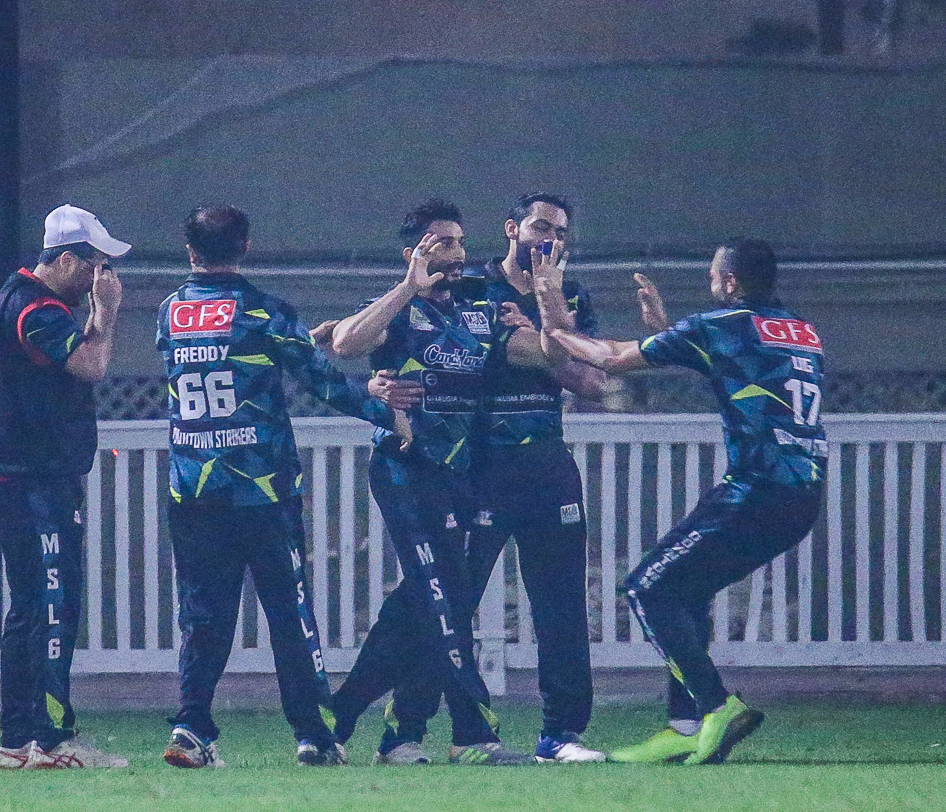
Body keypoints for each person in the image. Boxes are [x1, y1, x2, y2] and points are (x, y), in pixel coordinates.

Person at [538, 238, 827, 765]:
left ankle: (717, 706)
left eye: (714, 275)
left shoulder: (719, 325)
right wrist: (665, 331)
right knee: (687, 589)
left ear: (730, 282)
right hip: (801, 496)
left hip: (755, 492)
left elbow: (611, 359)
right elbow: (740, 364)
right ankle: (687, 725)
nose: (710, 282)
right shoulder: (801, 331)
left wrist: (553, 325)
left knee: (646, 589)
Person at [155, 205, 421, 769]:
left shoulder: (170, 311)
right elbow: (322, 383)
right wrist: (384, 411)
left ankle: (191, 727)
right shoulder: (265, 310)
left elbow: (225, 357)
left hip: (193, 489)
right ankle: (314, 735)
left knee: (203, 615)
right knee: (288, 611)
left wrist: (299, 341)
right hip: (262, 491)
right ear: (246, 246)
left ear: (190, 251)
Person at [326, 199, 563, 766]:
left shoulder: (481, 306)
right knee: (443, 601)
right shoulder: (399, 305)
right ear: (414, 252)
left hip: (463, 475)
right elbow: (345, 343)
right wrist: (407, 288)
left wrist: (551, 315)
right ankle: (474, 733)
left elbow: (542, 354)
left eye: (459, 241)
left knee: (423, 602)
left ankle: (338, 716)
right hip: (406, 469)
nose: (456, 253)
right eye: (441, 243)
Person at [386, 192, 609, 763]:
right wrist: (376, 384)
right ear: (512, 229)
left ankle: (561, 735)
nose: (550, 239)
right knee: (450, 603)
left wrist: (543, 331)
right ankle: (406, 729)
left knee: (561, 606)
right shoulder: (472, 290)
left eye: (560, 232)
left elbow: (592, 382)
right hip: (479, 469)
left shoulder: (570, 295)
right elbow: (417, 341)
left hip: (548, 465)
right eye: (540, 227)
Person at [0, 204, 131, 770]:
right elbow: (90, 366)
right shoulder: (36, 309)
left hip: (20, 474)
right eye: (94, 265)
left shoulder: (17, 298)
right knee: (51, 605)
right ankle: (49, 740)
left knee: (30, 607)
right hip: (32, 478)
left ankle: (17, 740)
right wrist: (106, 314)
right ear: (65, 259)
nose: (100, 277)